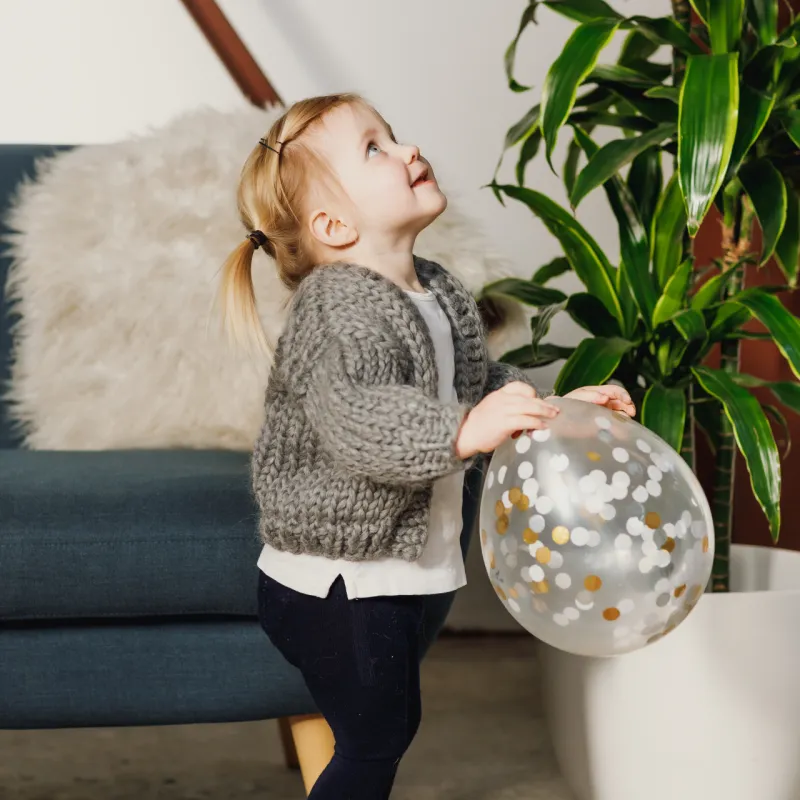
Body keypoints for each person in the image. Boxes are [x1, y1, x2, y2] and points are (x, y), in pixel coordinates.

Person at [217, 93, 635, 798]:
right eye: (374, 149)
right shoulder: (337, 308)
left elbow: (471, 382)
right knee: (374, 741)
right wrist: (464, 431)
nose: (407, 150)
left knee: (388, 729)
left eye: (393, 136)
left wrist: (552, 410)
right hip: (341, 580)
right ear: (333, 225)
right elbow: (358, 418)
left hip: (400, 571)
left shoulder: (435, 290)